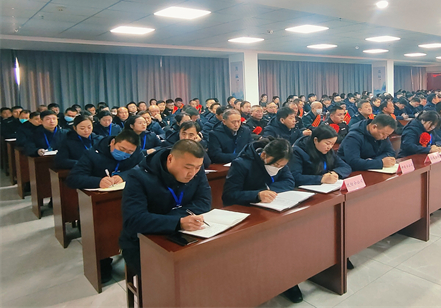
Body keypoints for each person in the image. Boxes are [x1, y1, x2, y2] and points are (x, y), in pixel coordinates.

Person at [221, 137, 302, 303]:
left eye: (282, 166)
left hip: (274, 210)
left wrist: (268, 190)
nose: (278, 168)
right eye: (276, 165)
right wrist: (257, 195)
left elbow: (289, 182)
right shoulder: (242, 164)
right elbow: (228, 196)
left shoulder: (281, 160)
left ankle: (288, 281)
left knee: (287, 244)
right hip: (249, 214)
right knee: (261, 253)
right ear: (264, 155)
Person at [119, 140, 211, 277]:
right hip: (142, 242)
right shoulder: (138, 176)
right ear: (170, 159)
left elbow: (204, 202)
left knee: (204, 272)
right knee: (164, 282)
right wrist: (178, 221)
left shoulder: (196, 169)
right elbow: (134, 219)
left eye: (197, 168)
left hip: (184, 235)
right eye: (187, 167)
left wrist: (174, 220)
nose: (192, 173)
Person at [66, 129, 142, 282]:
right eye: (122, 149)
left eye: (129, 152)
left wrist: (123, 176)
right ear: (113, 142)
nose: (125, 154)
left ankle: (132, 257)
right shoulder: (92, 154)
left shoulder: (136, 154)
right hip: (98, 206)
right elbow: (73, 179)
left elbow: (141, 168)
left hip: (126, 202)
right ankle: (103, 261)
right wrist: (98, 181)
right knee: (102, 236)